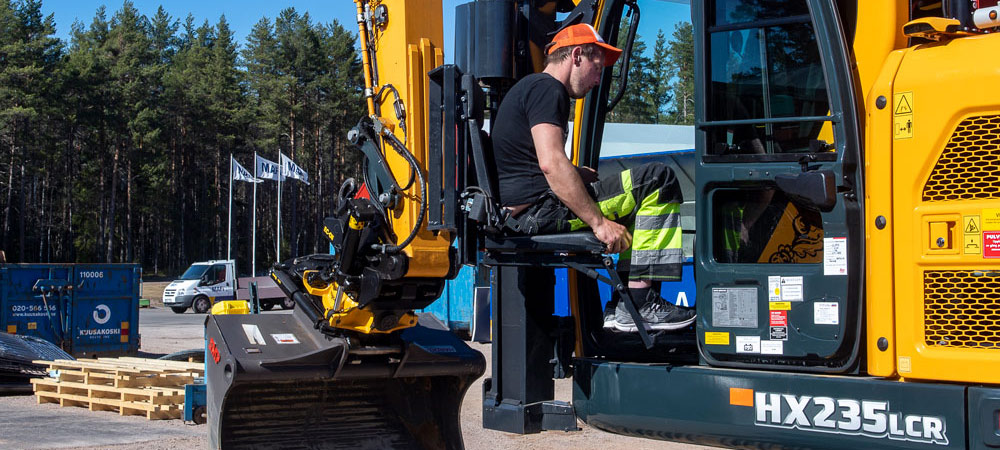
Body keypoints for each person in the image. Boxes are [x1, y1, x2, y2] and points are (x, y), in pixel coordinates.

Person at [491, 23, 695, 332]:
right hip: (539, 211)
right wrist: (599, 224)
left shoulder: (530, 88)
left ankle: (624, 304)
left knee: (633, 203)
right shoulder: (549, 89)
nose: (598, 80)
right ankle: (640, 302)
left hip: (529, 209)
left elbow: (530, 164)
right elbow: (551, 164)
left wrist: (577, 175)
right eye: (596, 69)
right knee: (659, 180)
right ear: (576, 56)